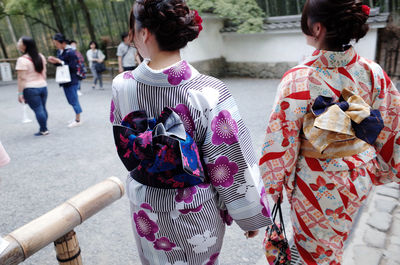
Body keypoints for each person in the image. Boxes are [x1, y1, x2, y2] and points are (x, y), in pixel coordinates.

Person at [110, 1, 271, 264]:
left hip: (144, 207)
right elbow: (229, 159)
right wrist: (247, 212)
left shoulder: (121, 86)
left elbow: (126, 141)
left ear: (144, 33)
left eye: (132, 30)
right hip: (194, 210)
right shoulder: (207, 91)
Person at [259, 1, 400, 264]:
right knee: (334, 244)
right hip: (358, 177)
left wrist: (273, 185)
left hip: (316, 182)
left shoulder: (298, 79)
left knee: (314, 252)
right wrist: (385, 166)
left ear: (317, 27)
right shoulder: (372, 71)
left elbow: (281, 140)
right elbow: (391, 124)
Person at [16, 36, 49, 136]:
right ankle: (44, 128)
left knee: (38, 109)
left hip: (30, 88)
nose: (18, 43)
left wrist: (20, 93)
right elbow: (44, 73)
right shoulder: (41, 56)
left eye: (19, 41)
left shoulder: (22, 60)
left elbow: (21, 78)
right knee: (42, 108)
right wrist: (42, 83)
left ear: (24, 46)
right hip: (43, 86)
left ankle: (44, 129)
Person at [48, 33, 83, 128]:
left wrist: (60, 62)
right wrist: (55, 62)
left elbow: (73, 67)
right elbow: (61, 65)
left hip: (72, 79)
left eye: (56, 43)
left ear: (62, 42)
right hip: (64, 79)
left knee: (74, 99)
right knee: (70, 100)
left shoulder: (71, 52)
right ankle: (76, 117)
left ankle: (78, 119)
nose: (55, 45)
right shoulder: (60, 52)